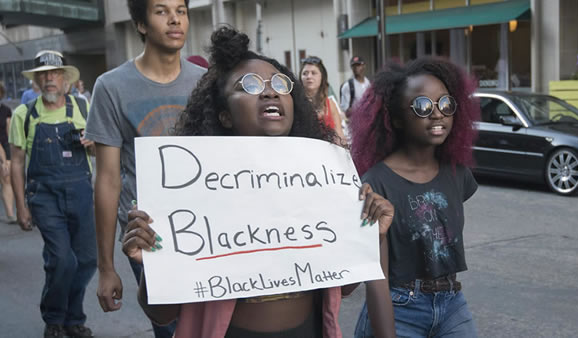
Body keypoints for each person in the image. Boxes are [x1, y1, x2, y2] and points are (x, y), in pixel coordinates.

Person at [121, 26, 394, 338]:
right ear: (223, 115)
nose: (269, 91)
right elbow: (160, 312)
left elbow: (343, 286)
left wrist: (369, 236)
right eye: (249, 85)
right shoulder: (191, 192)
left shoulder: (323, 182)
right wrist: (152, 266)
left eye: (280, 83)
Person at [83, 0, 205, 337]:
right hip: (148, 240)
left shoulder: (208, 83)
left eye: (180, 10)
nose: (174, 20)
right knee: (172, 330)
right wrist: (106, 268)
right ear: (140, 23)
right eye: (161, 11)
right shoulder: (111, 86)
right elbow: (107, 181)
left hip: (207, 232)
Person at [349, 57, 481, 337]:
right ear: (395, 118)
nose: (437, 114)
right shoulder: (375, 182)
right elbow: (375, 279)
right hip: (399, 305)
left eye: (446, 105)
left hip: (451, 300)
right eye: (423, 106)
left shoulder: (458, 174)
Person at [9, 50, 96, 338]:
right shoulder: (24, 114)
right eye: (43, 74)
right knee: (62, 259)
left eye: (54, 73)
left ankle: (73, 319)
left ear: (64, 78)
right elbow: (17, 162)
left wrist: (92, 144)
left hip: (81, 191)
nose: (49, 79)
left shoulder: (82, 106)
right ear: (36, 80)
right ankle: (54, 319)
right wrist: (21, 207)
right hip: (44, 195)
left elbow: (100, 149)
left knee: (85, 260)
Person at [300, 56, 346, 144]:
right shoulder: (295, 103)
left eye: (314, 73)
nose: (309, 76)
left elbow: (339, 135)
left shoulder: (330, 104)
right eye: (305, 73)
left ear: (322, 77)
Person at [0, 82, 16, 223]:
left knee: (7, 177)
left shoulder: (5, 110)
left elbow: (9, 132)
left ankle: (10, 214)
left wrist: (8, 156)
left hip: (4, 145)